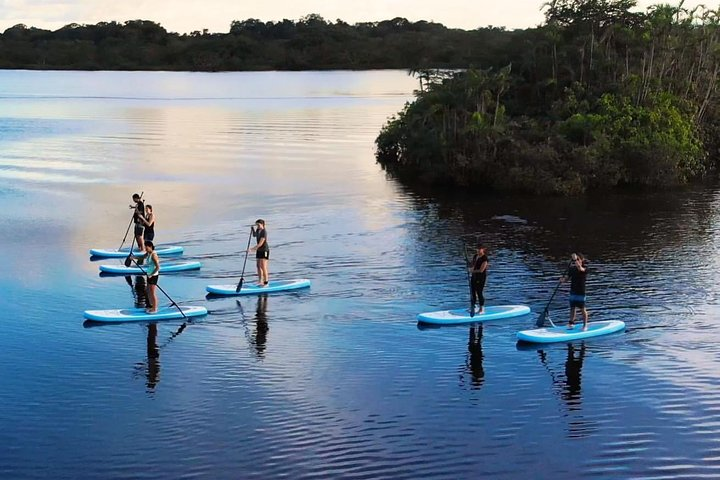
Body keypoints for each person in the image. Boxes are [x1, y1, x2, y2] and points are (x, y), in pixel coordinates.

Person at [563, 253, 589, 330]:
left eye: (578, 260)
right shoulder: (571, 269)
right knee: (572, 307)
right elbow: (567, 278)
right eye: (575, 261)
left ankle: (585, 326)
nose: (576, 262)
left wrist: (577, 262)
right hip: (573, 291)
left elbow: (581, 269)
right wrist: (563, 280)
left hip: (581, 292)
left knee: (582, 308)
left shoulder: (585, 268)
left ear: (582, 260)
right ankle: (571, 323)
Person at [135, 240, 160, 314]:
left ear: (150, 246)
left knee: (152, 293)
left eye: (146, 248)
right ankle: (150, 306)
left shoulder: (154, 255)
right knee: (148, 292)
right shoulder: (148, 253)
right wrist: (134, 257)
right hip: (149, 275)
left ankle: (155, 309)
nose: (145, 249)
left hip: (153, 276)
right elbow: (142, 256)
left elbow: (158, 267)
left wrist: (151, 274)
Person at [468, 245, 489, 314]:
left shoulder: (484, 258)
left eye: (480, 249)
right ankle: (473, 306)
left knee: (479, 292)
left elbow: (481, 270)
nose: (478, 250)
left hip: (481, 278)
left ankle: (482, 308)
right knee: (472, 292)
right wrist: (469, 265)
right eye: (477, 249)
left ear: (483, 249)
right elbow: (472, 264)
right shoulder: (475, 256)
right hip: (474, 277)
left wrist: (472, 271)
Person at [249, 219, 270, 287]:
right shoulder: (258, 230)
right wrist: (252, 229)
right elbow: (254, 235)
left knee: (263, 266)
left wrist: (252, 249)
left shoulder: (264, 232)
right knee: (258, 265)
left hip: (265, 250)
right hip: (259, 250)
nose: (257, 226)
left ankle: (266, 282)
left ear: (263, 224)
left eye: (258, 225)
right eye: (256, 225)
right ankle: (260, 281)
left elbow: (260, 244)